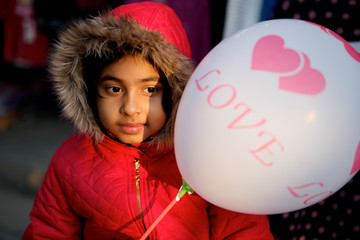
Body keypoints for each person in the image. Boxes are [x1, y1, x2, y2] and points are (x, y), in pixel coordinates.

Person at [22, 2, 274, 239]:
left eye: (150, 89)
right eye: (114, 89)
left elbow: (244, 231)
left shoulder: (209, 158)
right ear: (89, 90)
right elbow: (48, 231)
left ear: (176, 92)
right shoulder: (70, 161)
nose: (131, 108)